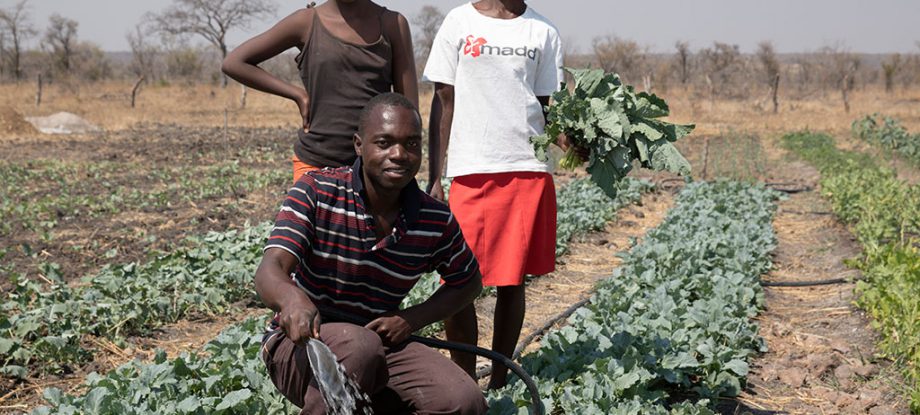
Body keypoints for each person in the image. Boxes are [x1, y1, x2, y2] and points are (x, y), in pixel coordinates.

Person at [255, 93, 488, 415]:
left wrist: (411, 319)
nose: (399, 154)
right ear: (358, 145)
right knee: (359, 348)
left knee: (462, 400)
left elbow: (468, 282)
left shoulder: (434, 219)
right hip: (301, 345)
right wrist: (291, 300)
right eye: (384, 143)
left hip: (379, 346)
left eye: (411, 144)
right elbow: (272, 266)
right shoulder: (318, 191)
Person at [423, 0, 577, 389]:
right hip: (471, 167)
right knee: (458, 281)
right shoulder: (460, 21)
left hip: (527, 166)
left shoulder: (543, 31)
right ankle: (462, 382)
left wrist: (576, 143)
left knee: (512, 281)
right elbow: (444, 101)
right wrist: (434, 175)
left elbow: (546, 107)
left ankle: (501, 379)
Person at [222, 0, 418, 183]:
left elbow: (409, 110)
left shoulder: (393, 24)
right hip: (315, 161)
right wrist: (297, 94)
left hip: (374, 169)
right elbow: (235, 63)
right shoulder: (306, 22)